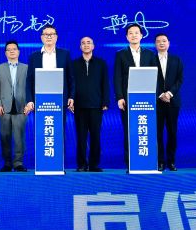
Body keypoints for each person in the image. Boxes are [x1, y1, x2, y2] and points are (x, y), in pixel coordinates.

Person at [113, 23, 154, 167]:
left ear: (142, 35)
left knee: (145, 129)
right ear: (127, 37)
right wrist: (119, 97)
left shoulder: (150, 54)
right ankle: (130, 162)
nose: (134, 35)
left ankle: (146, 161)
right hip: (127, 98)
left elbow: (154, 76)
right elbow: (117, 77)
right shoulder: (121, 54)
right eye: (131, 33)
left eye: (137, 32)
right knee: (129, 130)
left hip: (146, 99)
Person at [71, 36, 110, 172]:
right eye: (83, 43)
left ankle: (94, 164)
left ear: (93, 46)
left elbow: (105, 83)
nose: (86, 45)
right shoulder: (74, 64)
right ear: (80, 47)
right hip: (79, 106)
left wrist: (105, 101)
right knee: (81, 137)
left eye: (89, 43)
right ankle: (82, 164)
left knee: (95, 136)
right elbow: (70, 84)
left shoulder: (101, 63)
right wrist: (71, 100)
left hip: (96, 105)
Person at [0, 41, 29, 172]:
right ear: (5, 53)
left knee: (19, 138)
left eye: (14, 49)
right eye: (9, 49)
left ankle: (18, 163)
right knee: (5, 137)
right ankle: (7, 163)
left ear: (18, 51)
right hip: (4, 108)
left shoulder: (26, 68)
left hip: (22, 107)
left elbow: (30, 87)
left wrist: (29, 104)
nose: (12, 51)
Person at [25, 24, 75, 117]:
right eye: (46, 34)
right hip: (39, 101)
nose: (49, 37)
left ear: (56, 37)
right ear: (41, 37)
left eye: (52, 34)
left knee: (59, 126)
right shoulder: (34, 56)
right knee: (42, 125)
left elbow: (71, 78)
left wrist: (71, 96)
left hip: (60, 100)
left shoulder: (65, 54)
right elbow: (29, 80)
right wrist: (29, 100)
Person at [152, 33, 184, 171]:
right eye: (158, 41)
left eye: (164, 41)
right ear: (155, 44)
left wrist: (169, 93)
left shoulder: (176, 60)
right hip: (156, 102)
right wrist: (160, 94)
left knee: (172, 132)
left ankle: (171, 162)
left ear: (168, 43)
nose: (161, 43)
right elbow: (150, 79)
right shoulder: (150, 60)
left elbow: (180, 79)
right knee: (157, 133)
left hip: (173, 101)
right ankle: (160, 162)